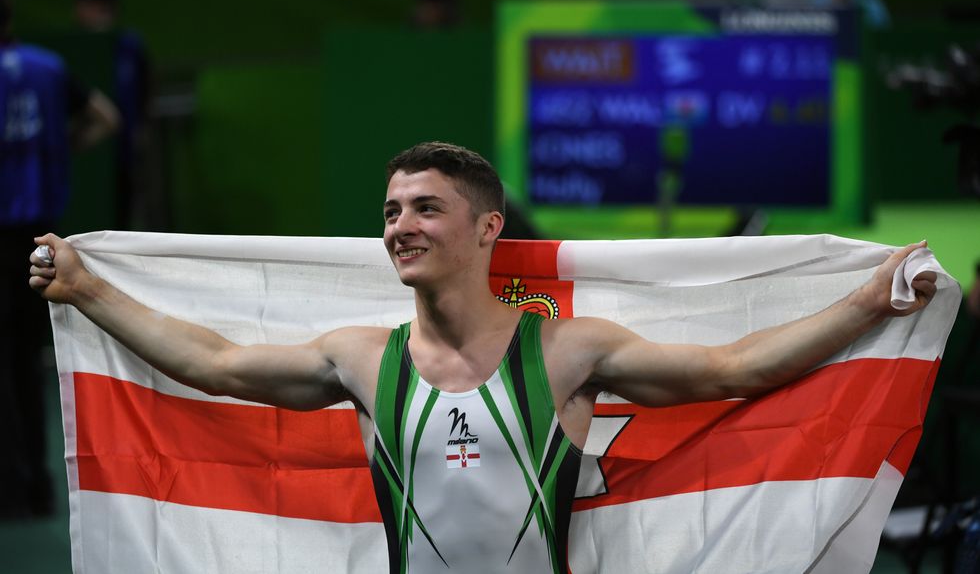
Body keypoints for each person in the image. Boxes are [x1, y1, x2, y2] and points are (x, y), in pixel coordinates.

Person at [29, 142, 935, 571]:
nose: (400, 226)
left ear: (487, 228)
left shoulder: (568, 351)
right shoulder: (357, 357)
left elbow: (736, 369)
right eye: (390, 212)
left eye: (425, 208)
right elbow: (217, 364)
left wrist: (866, 299)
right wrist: (87, 290)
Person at [1, 0, 119, 518]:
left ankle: (11, 488)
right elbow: (105, 116)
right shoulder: (48, 68)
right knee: (30, 365)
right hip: (39, 241)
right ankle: (41, 487)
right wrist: (60, 151)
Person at [74, 0, 151, 229]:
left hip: (123, 154)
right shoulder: (72, 50)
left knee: (121, 225)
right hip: (83, 158)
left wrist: (139, 134)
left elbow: (144, 93)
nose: (103, 11)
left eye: (108, 4)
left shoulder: (129, 46)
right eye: (96, 3)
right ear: (81, 7)